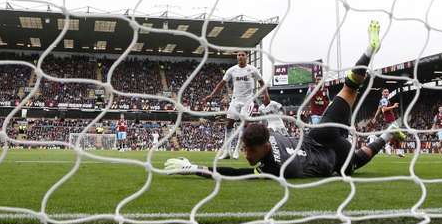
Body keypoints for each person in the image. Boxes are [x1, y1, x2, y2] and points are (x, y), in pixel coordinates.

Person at [166, 21, 404, 179]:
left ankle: (388, 133)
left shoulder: (276, 168)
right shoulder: (269, 137)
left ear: (265, 147)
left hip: (333, 159)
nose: (247, 155)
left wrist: (196, 169)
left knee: (360, 156)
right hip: (320, 136)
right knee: (349, 90)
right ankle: (369, 53)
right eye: (245, 149)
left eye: (249, 150)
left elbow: (235, 175)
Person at [201, 50, 270, 159]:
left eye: (242, 55)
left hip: (248, 100)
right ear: (237, 57)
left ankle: (237, 149)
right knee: (229, 124)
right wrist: (211, 95)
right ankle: (227, 151)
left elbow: (261, 82)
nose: (240, 56)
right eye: (238, 55)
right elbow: (221, 84)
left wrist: (266, 95)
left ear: (246, 57)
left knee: (244, 122)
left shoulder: (253, 70)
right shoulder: (232, 70)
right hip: (235, 100)